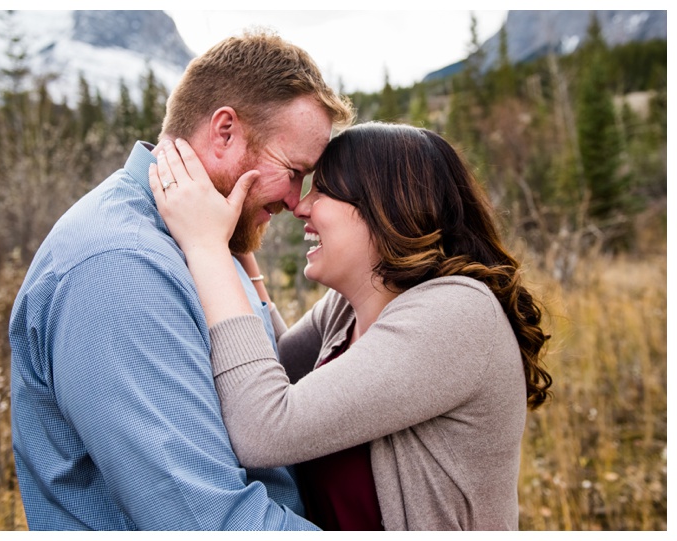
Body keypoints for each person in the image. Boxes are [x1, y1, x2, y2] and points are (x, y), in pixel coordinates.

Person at [8, 30, 353, 530]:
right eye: (293, 169)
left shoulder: (203, 235)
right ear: (225, 131)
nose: (296, 200)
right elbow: (204, 521)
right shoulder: (121, 269)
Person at [150, 122, 553, 530]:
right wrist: (239, 243)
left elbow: (262, 426)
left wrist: (207, 247)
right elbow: (263, 371)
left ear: (384, 205)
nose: (300, 206)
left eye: (322, 190)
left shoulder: (459, 314)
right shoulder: (347, 308)